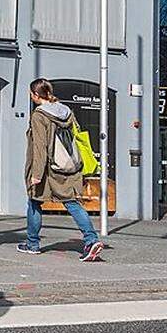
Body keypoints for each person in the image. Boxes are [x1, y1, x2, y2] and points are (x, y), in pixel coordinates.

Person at [17, 78, 105, 262]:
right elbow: (77, 136)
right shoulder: (67, 112)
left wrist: (36, 174)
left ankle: (32, 244)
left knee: (34, 202)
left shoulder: (39, 115)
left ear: (35, 95)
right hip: (68, 166)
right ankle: (91, 239)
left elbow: (40, 147)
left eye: (31, 94)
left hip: (48, 169)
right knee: (72, 203)